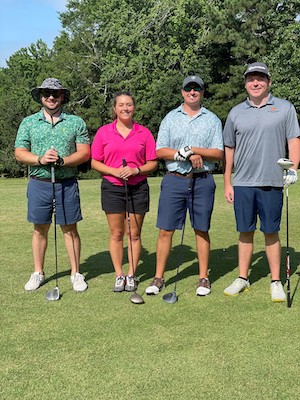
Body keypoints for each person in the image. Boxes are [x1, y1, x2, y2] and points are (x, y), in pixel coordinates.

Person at [223, 62, 300, 302]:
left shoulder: (285, 108)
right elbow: (229, 148)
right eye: (251, 79)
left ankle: (275, 280)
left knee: (270, 231)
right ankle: (243, 278)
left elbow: (294, 141)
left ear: (269, 82)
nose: (255, 83)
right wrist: (228, 181)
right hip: (243, 181)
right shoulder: (236, 112)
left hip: (272, 181)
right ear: (245, 83)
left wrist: (294, 169)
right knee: (244, 231)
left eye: (260, 79)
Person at [145, 75, 224, 296]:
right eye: (188, 89)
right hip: (174, 180)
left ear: (202, 92)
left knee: (201, 229)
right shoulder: (170, 118)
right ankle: (158, 277)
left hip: (202, 181)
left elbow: (218, 153)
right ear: (182, 92)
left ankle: (203, 278)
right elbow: (160, 151)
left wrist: (193, 150)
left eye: (196, 89)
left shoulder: (212, 119)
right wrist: (185, 155)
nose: (192, 92)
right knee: (166, 230)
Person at [15, 78, 90, 293]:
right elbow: (19, 152)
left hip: (66, 183)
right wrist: (40, 159)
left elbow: (85, 152)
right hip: (39, 182)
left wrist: (63, 161)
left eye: (55, 94)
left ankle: (76, 273)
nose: (51, 97)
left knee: (70, 229)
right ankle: (38, 272)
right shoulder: (28, 122)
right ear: (40, 96)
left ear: (62, 97)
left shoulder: (75, 122)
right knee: (40, 229)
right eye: (46, 93)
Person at [91, 91, 158, 292]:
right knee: (117, 233)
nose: (125, 108)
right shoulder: (104, 132)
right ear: (115, 109)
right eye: (121, 105)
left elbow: (152, 162)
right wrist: (115, 172)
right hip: (112, 187)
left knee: (134, 233)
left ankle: (132, 275)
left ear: (134, 107)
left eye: (129, 104)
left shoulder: (143, 133)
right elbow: (95, 161)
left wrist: (136, 169)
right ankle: (119, 274)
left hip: (138, 187)